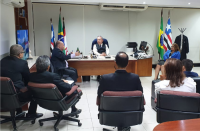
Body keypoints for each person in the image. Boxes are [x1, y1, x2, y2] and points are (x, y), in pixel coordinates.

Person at [0, 44, 42, 118]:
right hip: (17, 95)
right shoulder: (22, 63)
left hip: (2, 95)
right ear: (19, 54)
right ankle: (31, 114)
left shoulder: (2, 61)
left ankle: (19, 113)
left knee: (15, 87)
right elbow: (28, 79)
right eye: (23, 52)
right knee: (35, 91)